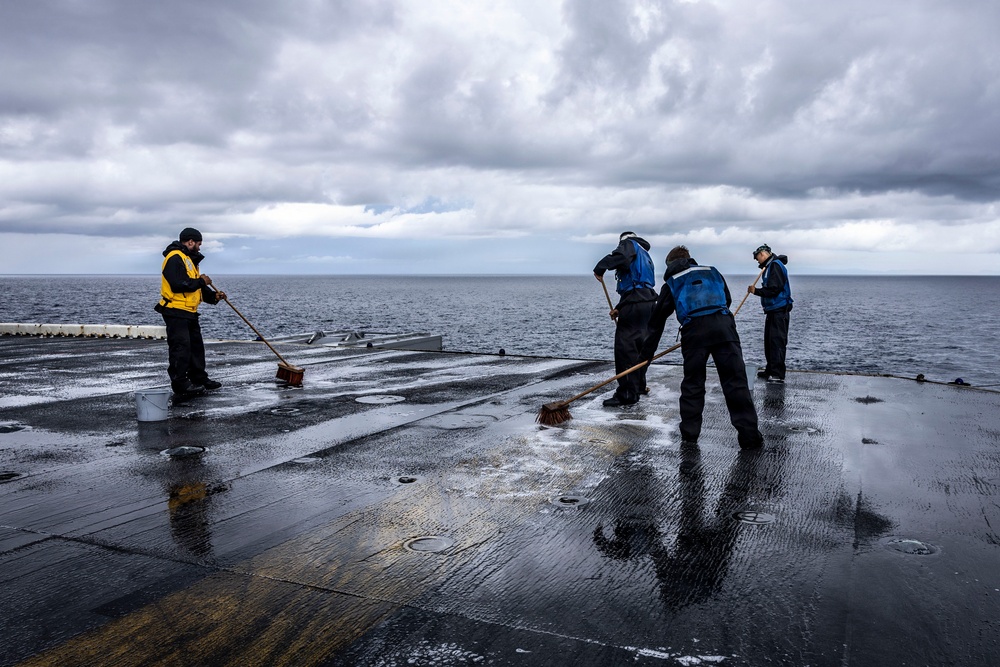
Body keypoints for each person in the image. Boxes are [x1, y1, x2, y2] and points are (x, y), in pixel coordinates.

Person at [640, 245, 763, 449]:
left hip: (694, 333)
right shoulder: (712, 271)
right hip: (725, 329)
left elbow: (656, 324)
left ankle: (690, 437)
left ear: (670, 264)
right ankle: (750, 438)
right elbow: (727, 300)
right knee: (736, 384)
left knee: (693, 385)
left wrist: (644, 362)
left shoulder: (672, 282)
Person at [155, 227, 226, 398]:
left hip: (189, 311)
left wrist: (213, 296)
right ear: (190, 242)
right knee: (181, 348)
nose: (199, 248)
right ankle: (180, 384)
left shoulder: (188, 260)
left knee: (196, 347)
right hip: (175, 310)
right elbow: (178, 285)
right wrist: (201, 281)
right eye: (199, 244)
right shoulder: (174, 258)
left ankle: (198, 378)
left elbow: (194, 288)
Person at [593, 231, 658, 407]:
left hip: (636, 302)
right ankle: (639, 386)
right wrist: (620, 308)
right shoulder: (645, 254)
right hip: (648, 303)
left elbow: (621, 257)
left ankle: (627, 394)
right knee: (641, 347)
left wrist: (600, 267)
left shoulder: (628, 244)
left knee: (626, 348)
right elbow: (639, 287)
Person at [747, 244, 792, 383]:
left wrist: (756, 291)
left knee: (777, 341)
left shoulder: (775, 266)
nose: (757, 261)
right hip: (772, 310)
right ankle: (771, 369)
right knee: (769, 342)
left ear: (762, 254)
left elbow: (774, 289)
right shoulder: (769, 266)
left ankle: (777, 374)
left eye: (757, 258)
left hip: (779, 310)